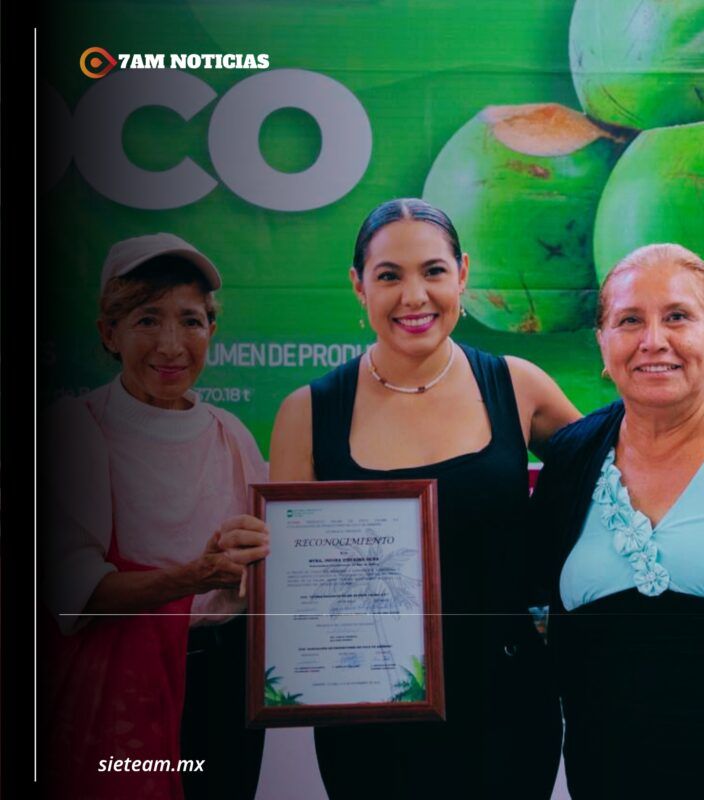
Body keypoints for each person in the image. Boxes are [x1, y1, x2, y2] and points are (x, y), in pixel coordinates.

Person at [269, 198, 580, 799]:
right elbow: (290, 589)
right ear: (358, 286)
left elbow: (608, 481)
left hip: (509, 711)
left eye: (433, 271)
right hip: (368, 721)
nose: (415, 297)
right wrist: (249, 566)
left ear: (462, 273)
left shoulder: (519, 386)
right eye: (390, 276)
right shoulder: (306, 414)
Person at [531, 243, 704, 798]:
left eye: (677, 316)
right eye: (630, 320)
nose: (654, 341)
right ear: (602, 343)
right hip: (607, 777)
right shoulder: (572, 458)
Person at [42, 233, 269, 800]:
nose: (171, 345)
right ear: (108, 333)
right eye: (147, 319)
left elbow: (270, 560)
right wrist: (197, 576)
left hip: (221, 685)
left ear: (211, 333)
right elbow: (74, 597)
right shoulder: (77, 428)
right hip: (126, 686)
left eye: (190, 321)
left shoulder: (231, 434)